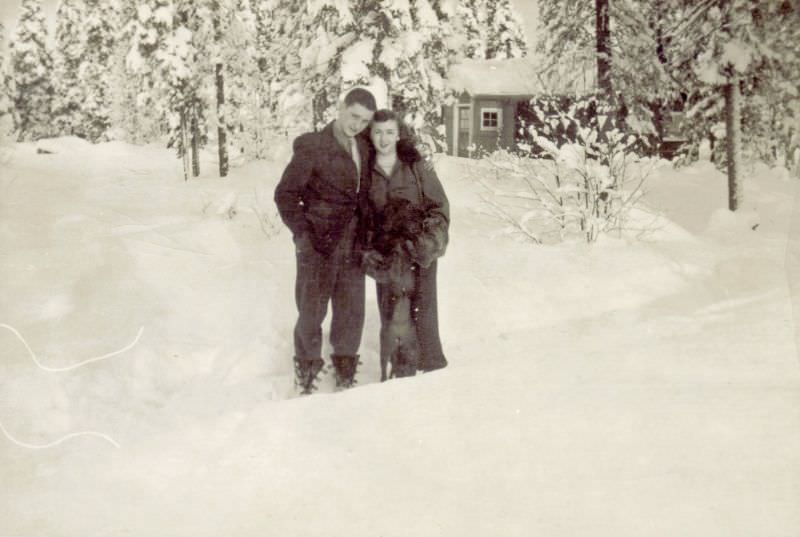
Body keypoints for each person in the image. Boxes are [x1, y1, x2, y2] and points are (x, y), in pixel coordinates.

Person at [274, 88, 376, 394]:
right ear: (341, 108)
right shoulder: (314, 147)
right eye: (354, 115)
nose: (357, 124)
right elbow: (286, 194)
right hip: (318, 244)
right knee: (311, 311)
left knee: (351, 311)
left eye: (364, 120)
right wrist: (303, 236)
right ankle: (306, 373)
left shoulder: (365, 146)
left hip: (353, 242)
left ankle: (344, 373)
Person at [362, 109, 449, 379]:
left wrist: (428, 242)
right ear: (370, 134)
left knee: (423, 319)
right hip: (387, 256)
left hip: (419, 253)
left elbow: (439, 208)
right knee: (394, 320)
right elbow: (361, 218)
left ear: (398, 134)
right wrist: (371, 254)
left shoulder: (415, 165)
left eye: (389, 131)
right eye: (378, 132)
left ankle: (433, 379)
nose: (384, 138)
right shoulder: (365, 170)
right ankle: (399, 383)